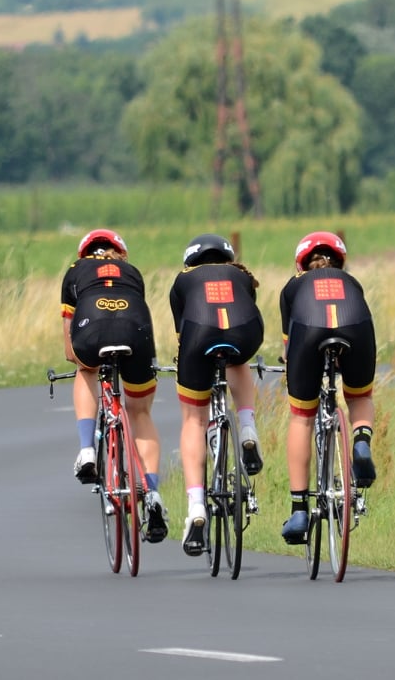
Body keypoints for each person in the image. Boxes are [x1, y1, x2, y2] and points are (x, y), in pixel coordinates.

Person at [60, 228, 168, 543]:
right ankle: (152, 490)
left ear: (84, 254)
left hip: (92, 330)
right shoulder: (132, 272)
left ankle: (86, 451)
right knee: (140, 412)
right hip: (135, 332)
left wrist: (79, 360)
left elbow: (69, 341)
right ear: (121, 253)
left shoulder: (74, 271)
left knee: (85, 368)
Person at [167, 233, 266, 557]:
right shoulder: (241, 275)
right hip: (246, 333)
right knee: (238, 359)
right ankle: (247, 428)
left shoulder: (182, 281)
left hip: (198, 336)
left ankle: (196, 507)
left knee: (193, 419)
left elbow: (184, 337)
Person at [277, 231, 378, 545]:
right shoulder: (352, 283)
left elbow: (287, 344)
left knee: (301, 417)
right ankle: (361, 442)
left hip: (308, 332)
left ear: (302, 265)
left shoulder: (293, 286)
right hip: (356, 328)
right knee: (360, 396)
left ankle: (298, 511)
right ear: (340, 261)